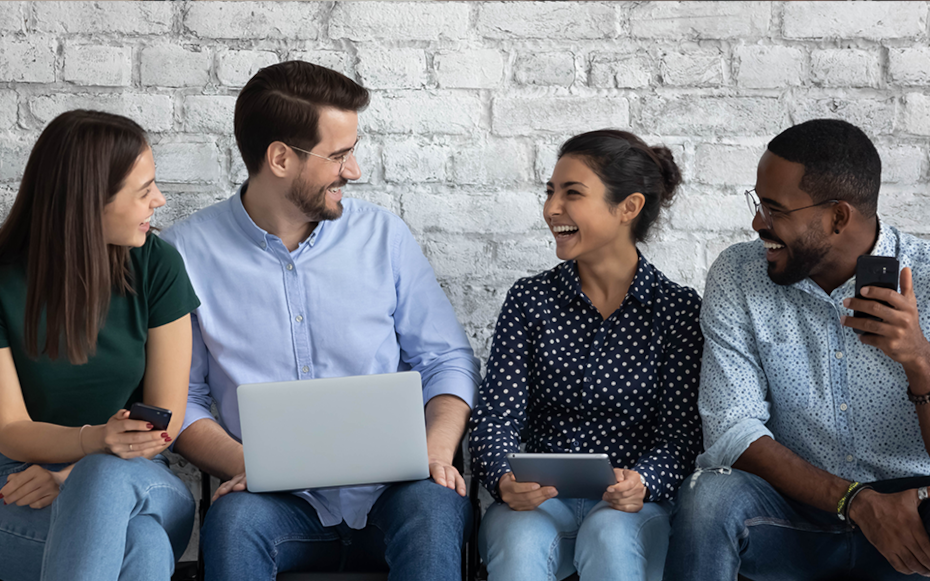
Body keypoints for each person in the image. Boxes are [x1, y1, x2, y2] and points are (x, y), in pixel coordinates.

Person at [160, 60, 480, 581]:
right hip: (273, 501)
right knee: (232, 522)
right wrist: (246, 465)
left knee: (436, 508)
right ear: (281, 158)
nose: (352, 171)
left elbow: (445, 359)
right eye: (339, 155)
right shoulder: (184, 254)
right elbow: (182, 400)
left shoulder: (384, 236)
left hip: (394, 496)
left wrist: (434, 451)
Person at [664, 118, 930, 581]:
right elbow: (732, 429)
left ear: (837, 217)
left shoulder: (924, 279)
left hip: (909, 517)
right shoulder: (740, 275)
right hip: (794, 514)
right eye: (757, 202)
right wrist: (856, 501)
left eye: (774, 208)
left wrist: (919, 362)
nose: (756, 222)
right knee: (708, 496)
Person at [469, 129, 704, 581]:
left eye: (572, 193)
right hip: (537, 504)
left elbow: (682, 437)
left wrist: (644, 482)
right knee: (519, 542)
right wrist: (503, 479)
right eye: (551, 192)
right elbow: (495, 418)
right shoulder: (529, 300)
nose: (551, 208)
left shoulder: (677, 310)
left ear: (628, 208)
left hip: (633, 508)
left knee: (611, 536)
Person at [0, 110, 200, 581]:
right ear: (89, 202)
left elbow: (163, 425)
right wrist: (90, 440)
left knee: (102, 480)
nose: (160, 199)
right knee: (142, 547)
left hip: (140, 477)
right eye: (144, 190)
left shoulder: (158, 266)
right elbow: (9, 426)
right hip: (18, 480)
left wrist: (73, 476)